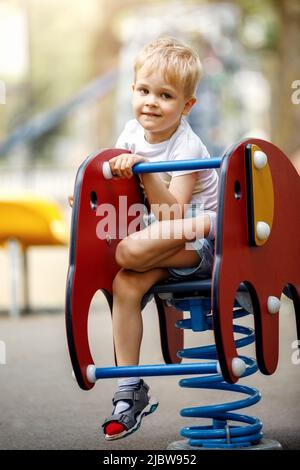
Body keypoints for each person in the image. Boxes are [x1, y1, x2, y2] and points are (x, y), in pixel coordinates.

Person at [99, 37, 219, 441]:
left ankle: (218, 222)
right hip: (163, 242)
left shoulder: (188, 144)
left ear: (186, 106)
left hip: (198, 242)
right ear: (132, 91)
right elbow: (116, 189)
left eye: (165, 95)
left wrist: (144, 170)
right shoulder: (130, 133)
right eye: (143, 90)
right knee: (123, 283)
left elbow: (174, 212)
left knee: (128, 251)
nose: (151, 102)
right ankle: (129, 388)